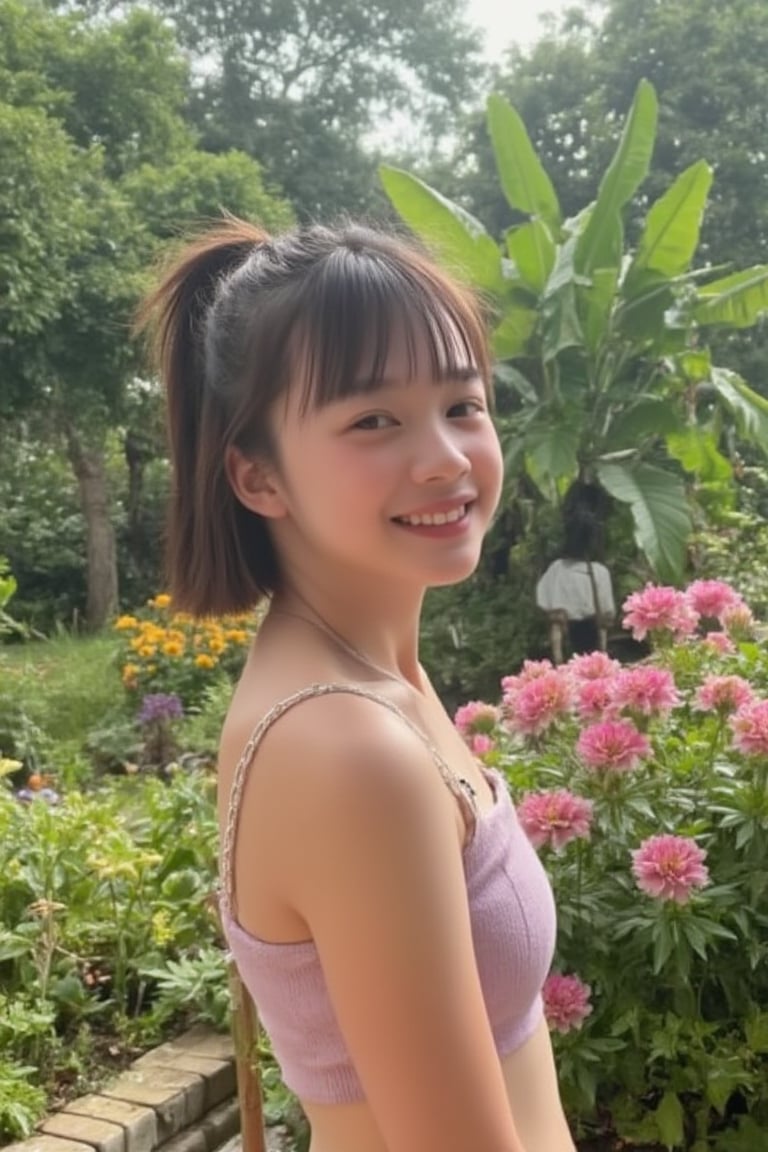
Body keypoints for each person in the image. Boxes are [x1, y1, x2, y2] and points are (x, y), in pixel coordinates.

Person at [138, 218, 576, 1152]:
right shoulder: (346, 749)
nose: (446, 458)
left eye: (463, 404)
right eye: (373, 420)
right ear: (258, 477)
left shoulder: (386, 685)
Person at [536, 519, 616, 663]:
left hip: (564, 637)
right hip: (592, 634)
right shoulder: (600, 572)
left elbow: (543, 599)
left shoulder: (557, 569)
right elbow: (607, 611)